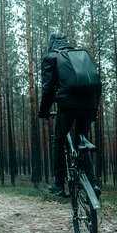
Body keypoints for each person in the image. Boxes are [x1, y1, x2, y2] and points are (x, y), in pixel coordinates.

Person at [38, 33, 101, 197]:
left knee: (59, 139)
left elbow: (48, 89)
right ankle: (93, 183)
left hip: (68, 105)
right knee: (82, 138)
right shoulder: (82, 55)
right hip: (89, 103)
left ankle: (59, 184)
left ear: (51, 44)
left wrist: (44, 111)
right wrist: (93, 111)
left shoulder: (52, 57)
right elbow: (97, 83)